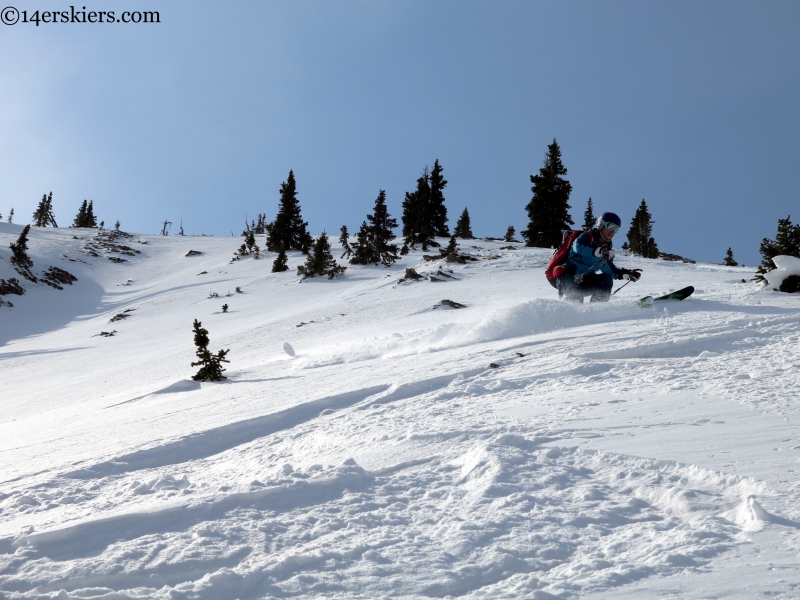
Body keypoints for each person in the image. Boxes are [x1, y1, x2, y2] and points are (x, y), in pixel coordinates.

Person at [557, 212, 641, 303]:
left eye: (616, 229)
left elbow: (610, 270)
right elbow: (579, 247)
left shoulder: (606, 250)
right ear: (601, 224)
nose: (612, 231)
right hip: (567, 278)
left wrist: (627, 274)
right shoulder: (587, 237)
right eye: (610, 226)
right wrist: (598, 251)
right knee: (576, 296)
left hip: (586, 281)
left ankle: (597, 307)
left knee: (606, 279)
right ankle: (569, 310)